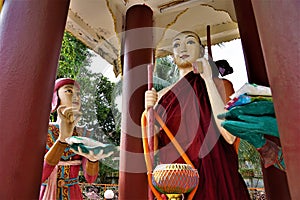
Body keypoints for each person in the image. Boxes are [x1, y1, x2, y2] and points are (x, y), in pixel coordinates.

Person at [145, 31, 250, 199]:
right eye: (177, 45)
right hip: (177, 183)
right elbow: (153, 148)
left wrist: (208, 79)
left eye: (190, 42)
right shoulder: (162, 96)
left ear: (202, 51)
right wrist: (147, 113)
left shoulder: (219, 84)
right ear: (173, 56)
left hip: (215, 175)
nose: (183, 48)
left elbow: (229, 136)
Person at [39, 78, 111, 200]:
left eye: (78, 94)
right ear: (56, 97)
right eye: (69, 91)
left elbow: (91, 179)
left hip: (73, 194)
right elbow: (39, 175)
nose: (76, 97)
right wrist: (62, 140)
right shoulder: (43, 130)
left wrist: (93, 160)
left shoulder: (84, 133)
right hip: (46, 193)